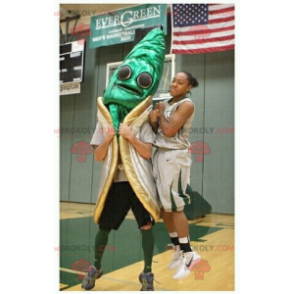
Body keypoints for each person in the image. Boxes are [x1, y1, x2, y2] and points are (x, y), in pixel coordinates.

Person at [81, 120, 157, 291]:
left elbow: (147, 153)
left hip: (140, 182)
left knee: (146, 225)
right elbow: (98, 156)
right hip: (115, 183)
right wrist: (107, 139)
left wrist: (131, 136)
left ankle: (147, 273)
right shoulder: (104, 121)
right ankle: (96, 267)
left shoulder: (141, 121)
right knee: (104, 227)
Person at [148, 71, 201, 279]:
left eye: (180, 82)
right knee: (164, 207)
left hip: (175, 157)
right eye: (173, 80)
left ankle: (190, 254)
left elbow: (169, 131)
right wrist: (154, 119)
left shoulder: (186, 104)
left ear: (188, 87)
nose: (175, 84)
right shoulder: (167, 102)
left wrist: (159, 114)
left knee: (176, 206)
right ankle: (178, 248)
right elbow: (159, 131)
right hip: (161, 154)